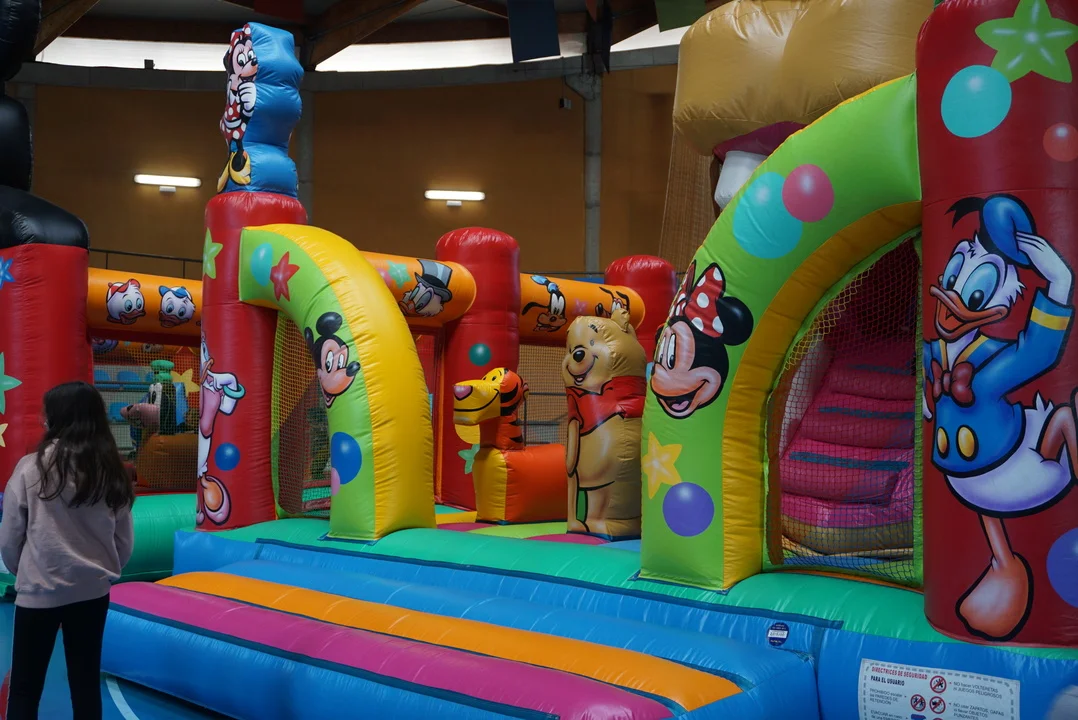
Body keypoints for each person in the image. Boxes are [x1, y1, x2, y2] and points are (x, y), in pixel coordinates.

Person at [0, 382, 135, 719]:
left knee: (25, 687)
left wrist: (24, 571)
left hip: (39, 590)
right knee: (85, 682)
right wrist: (103, 571)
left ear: (57, 418)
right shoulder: (111, 469)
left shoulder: (31, 467)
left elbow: (10, 536)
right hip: (92, 591)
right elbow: (124, 540)